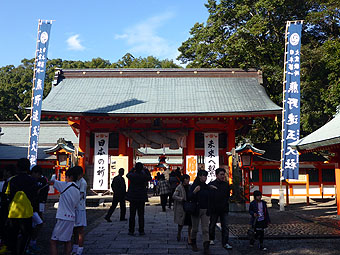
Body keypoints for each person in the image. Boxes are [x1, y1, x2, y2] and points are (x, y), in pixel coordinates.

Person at [5, 158, 38, 255]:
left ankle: (14, 251)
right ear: (28, 168)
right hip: (27, 212)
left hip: (13, 212)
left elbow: (8, 196)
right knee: (26, 234)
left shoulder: (12, 180)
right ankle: (23, 251)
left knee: (13, 235)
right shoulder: (32, 180)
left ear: (18, 167)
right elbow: (34, 197)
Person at [50, 167, 80, 255]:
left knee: (53, 241)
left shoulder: (65, 185)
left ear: (70, 177)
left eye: (66, 177)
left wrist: (53, 176)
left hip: (63, 217)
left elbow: (52, 181)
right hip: (71, 217)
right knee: (67, 241)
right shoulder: (77, 189)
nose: (65, 179)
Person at [208, 168, 232, 249]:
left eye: (223, 174)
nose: (223, 176)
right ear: (216, 175)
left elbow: (227, 196)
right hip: (214, 209)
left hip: (224, 209)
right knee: (212, 225)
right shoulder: (211, 184)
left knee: (225, 226)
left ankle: (225, 242)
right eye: (221, 174)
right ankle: (211, 238)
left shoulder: (226, 185)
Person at [125, 162, 151, 236]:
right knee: (141, 215)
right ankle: (141, 230)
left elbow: (127, 175)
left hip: (133, 197)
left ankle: (131, 230)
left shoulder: (132, 175)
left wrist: (132, 169)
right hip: (141, 197)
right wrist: (146, 170)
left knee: (132, 215)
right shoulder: (143, 176)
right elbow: (149, 177)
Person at [188, 170, 210, 254]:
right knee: (195, 228)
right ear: (199, 176)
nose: (205, 177)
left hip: (205, 209)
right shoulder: (194, 186)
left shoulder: (206, 186)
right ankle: (193, 243)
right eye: (204, 176)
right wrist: (194, 192)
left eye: (206, 176)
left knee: (205, 229)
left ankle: (206, 247)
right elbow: (189, 197)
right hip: (196, 210)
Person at [29, 165, 49, 253]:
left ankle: (32, 241)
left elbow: (44, 195)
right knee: (37, 223)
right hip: (30, 206)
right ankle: (31, 242)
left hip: (38, 205)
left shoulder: (43, 181)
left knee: (38, 223)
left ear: (37, 173)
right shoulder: (31, 180)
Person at [172, 174, 192, 244]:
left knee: (190, 223)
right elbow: (174, 196)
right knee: (181, 223)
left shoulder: (190, 187)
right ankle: (179, 233)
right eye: (186, 179)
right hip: (182, 207)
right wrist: (181, 199)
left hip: (189, 206)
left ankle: (189, 237)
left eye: (188, 179)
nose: (188, 181)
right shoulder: (179, 187)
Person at [72, 166, 87, 255]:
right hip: (74, 207)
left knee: (80, 229)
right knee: (75, 229)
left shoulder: (83, 182)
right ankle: (75, 247)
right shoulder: (75, 181)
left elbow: (80, 195)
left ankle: (80, 249)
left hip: (80, 207)